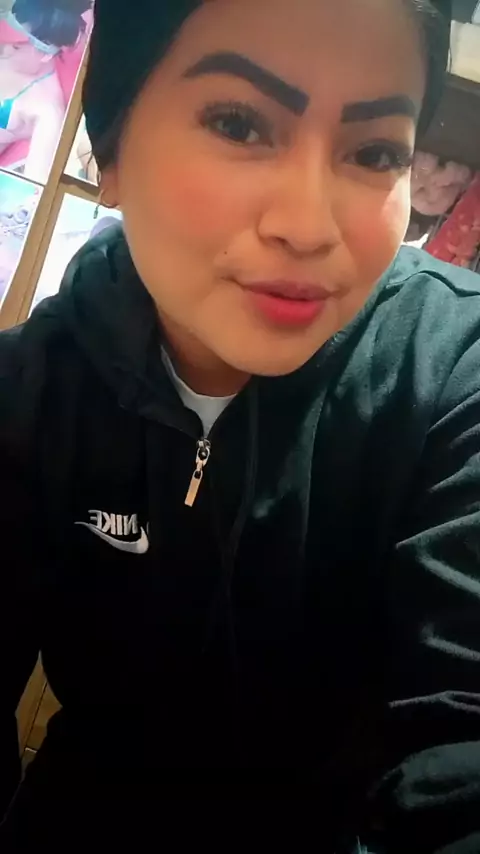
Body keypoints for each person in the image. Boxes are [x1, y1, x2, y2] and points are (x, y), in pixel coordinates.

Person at [3, 0, 480, 850]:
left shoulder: (455, 376)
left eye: (374, 152)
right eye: (239, 123)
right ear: (111, 149)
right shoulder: (32, 391)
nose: (308, 225)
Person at [0, 0, 90, 182]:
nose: (6, 47)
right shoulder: (9, 56)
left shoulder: (46, 111)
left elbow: (32, 185)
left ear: (46, 53)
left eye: (17, 45)